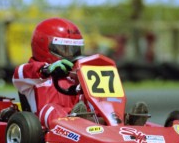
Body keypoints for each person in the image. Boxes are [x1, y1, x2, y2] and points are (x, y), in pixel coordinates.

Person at [13, 17, 148, 129]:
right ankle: (78, 121)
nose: (70, 55)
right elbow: (19, 74)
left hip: (81, 114)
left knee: (91, 100)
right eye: (64, 49)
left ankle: (121, 121)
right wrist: (47, 69)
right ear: (44, 46)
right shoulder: (31, 74)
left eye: (74, 50)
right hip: (45, 125)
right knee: (52, 108)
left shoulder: (74, 73)